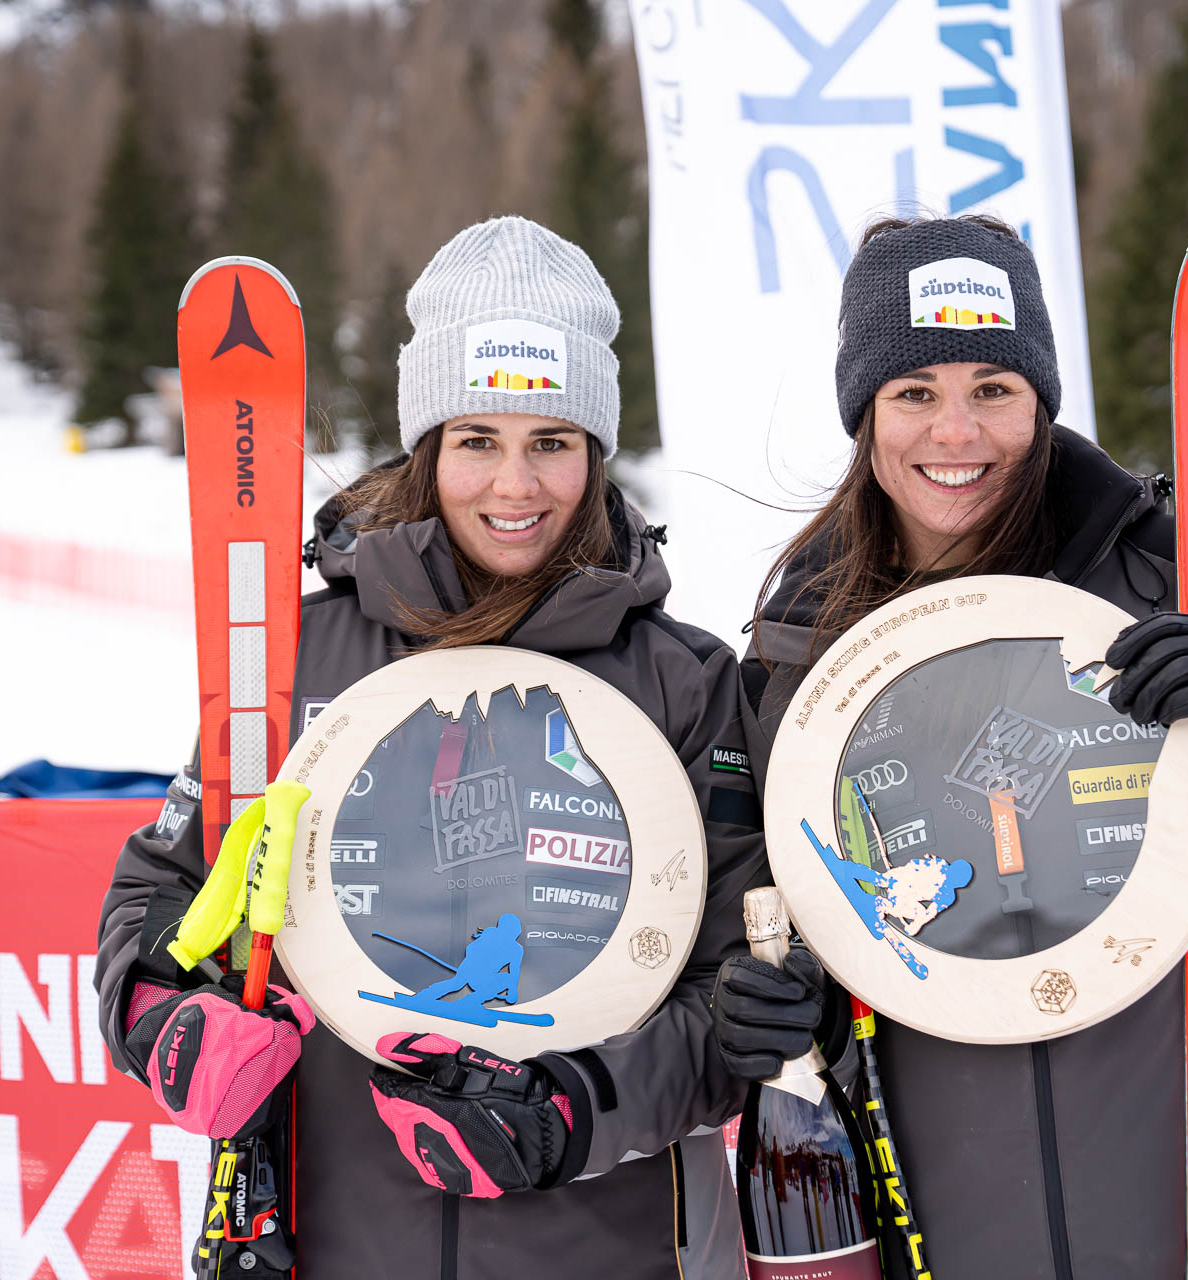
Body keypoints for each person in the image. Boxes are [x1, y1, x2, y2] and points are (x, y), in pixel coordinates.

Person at [713, 214, 1188, 1279]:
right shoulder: (802, 650)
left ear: (1042, 401)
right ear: (865, 414)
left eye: (993, 388)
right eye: (914, 392)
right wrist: (765, 995)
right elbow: (782, 924)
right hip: (951, 1227)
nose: (956, 431)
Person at [96, 216, 760, 1280]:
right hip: (340, 1234)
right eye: (477, 440)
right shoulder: (298, 654)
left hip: (605, 1245)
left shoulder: (683, 680)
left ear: (595, 455)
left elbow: (735, 984)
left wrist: (572, 1110)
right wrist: (160, 1009)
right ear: (428, 449)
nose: (516, 485)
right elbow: (163, 885)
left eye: (552, 442)